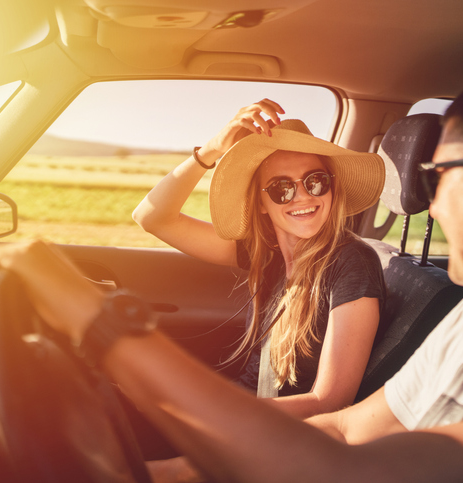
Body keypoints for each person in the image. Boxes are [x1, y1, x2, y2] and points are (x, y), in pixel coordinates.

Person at [0, 56, 463, 482]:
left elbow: (336, 464)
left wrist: (99, 324)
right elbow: (345, 431)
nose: (421, 201)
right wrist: (166, 471)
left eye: (433, 179)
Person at [132, 99, 387, 417]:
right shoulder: (267, 253)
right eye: (282, 188)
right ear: (262, 202)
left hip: (257, 428)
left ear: (332, 189)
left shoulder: (352, 263)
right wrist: (210, 150)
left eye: (316, 181)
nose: (304, 196)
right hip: (237, 406)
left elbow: (330, 401)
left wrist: (214, 414)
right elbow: (151, 218)